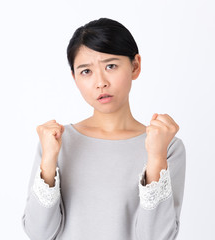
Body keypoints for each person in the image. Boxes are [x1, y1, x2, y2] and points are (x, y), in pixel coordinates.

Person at [21, 17, 186, 240]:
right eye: (86, 71)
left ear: (135, 66)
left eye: (111, 66)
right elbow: (39, 234)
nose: (100, 82)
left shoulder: (166, 145)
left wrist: (156, 157)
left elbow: (156, 237)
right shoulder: (57, 141)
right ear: (74, 77)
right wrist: (49, 159)